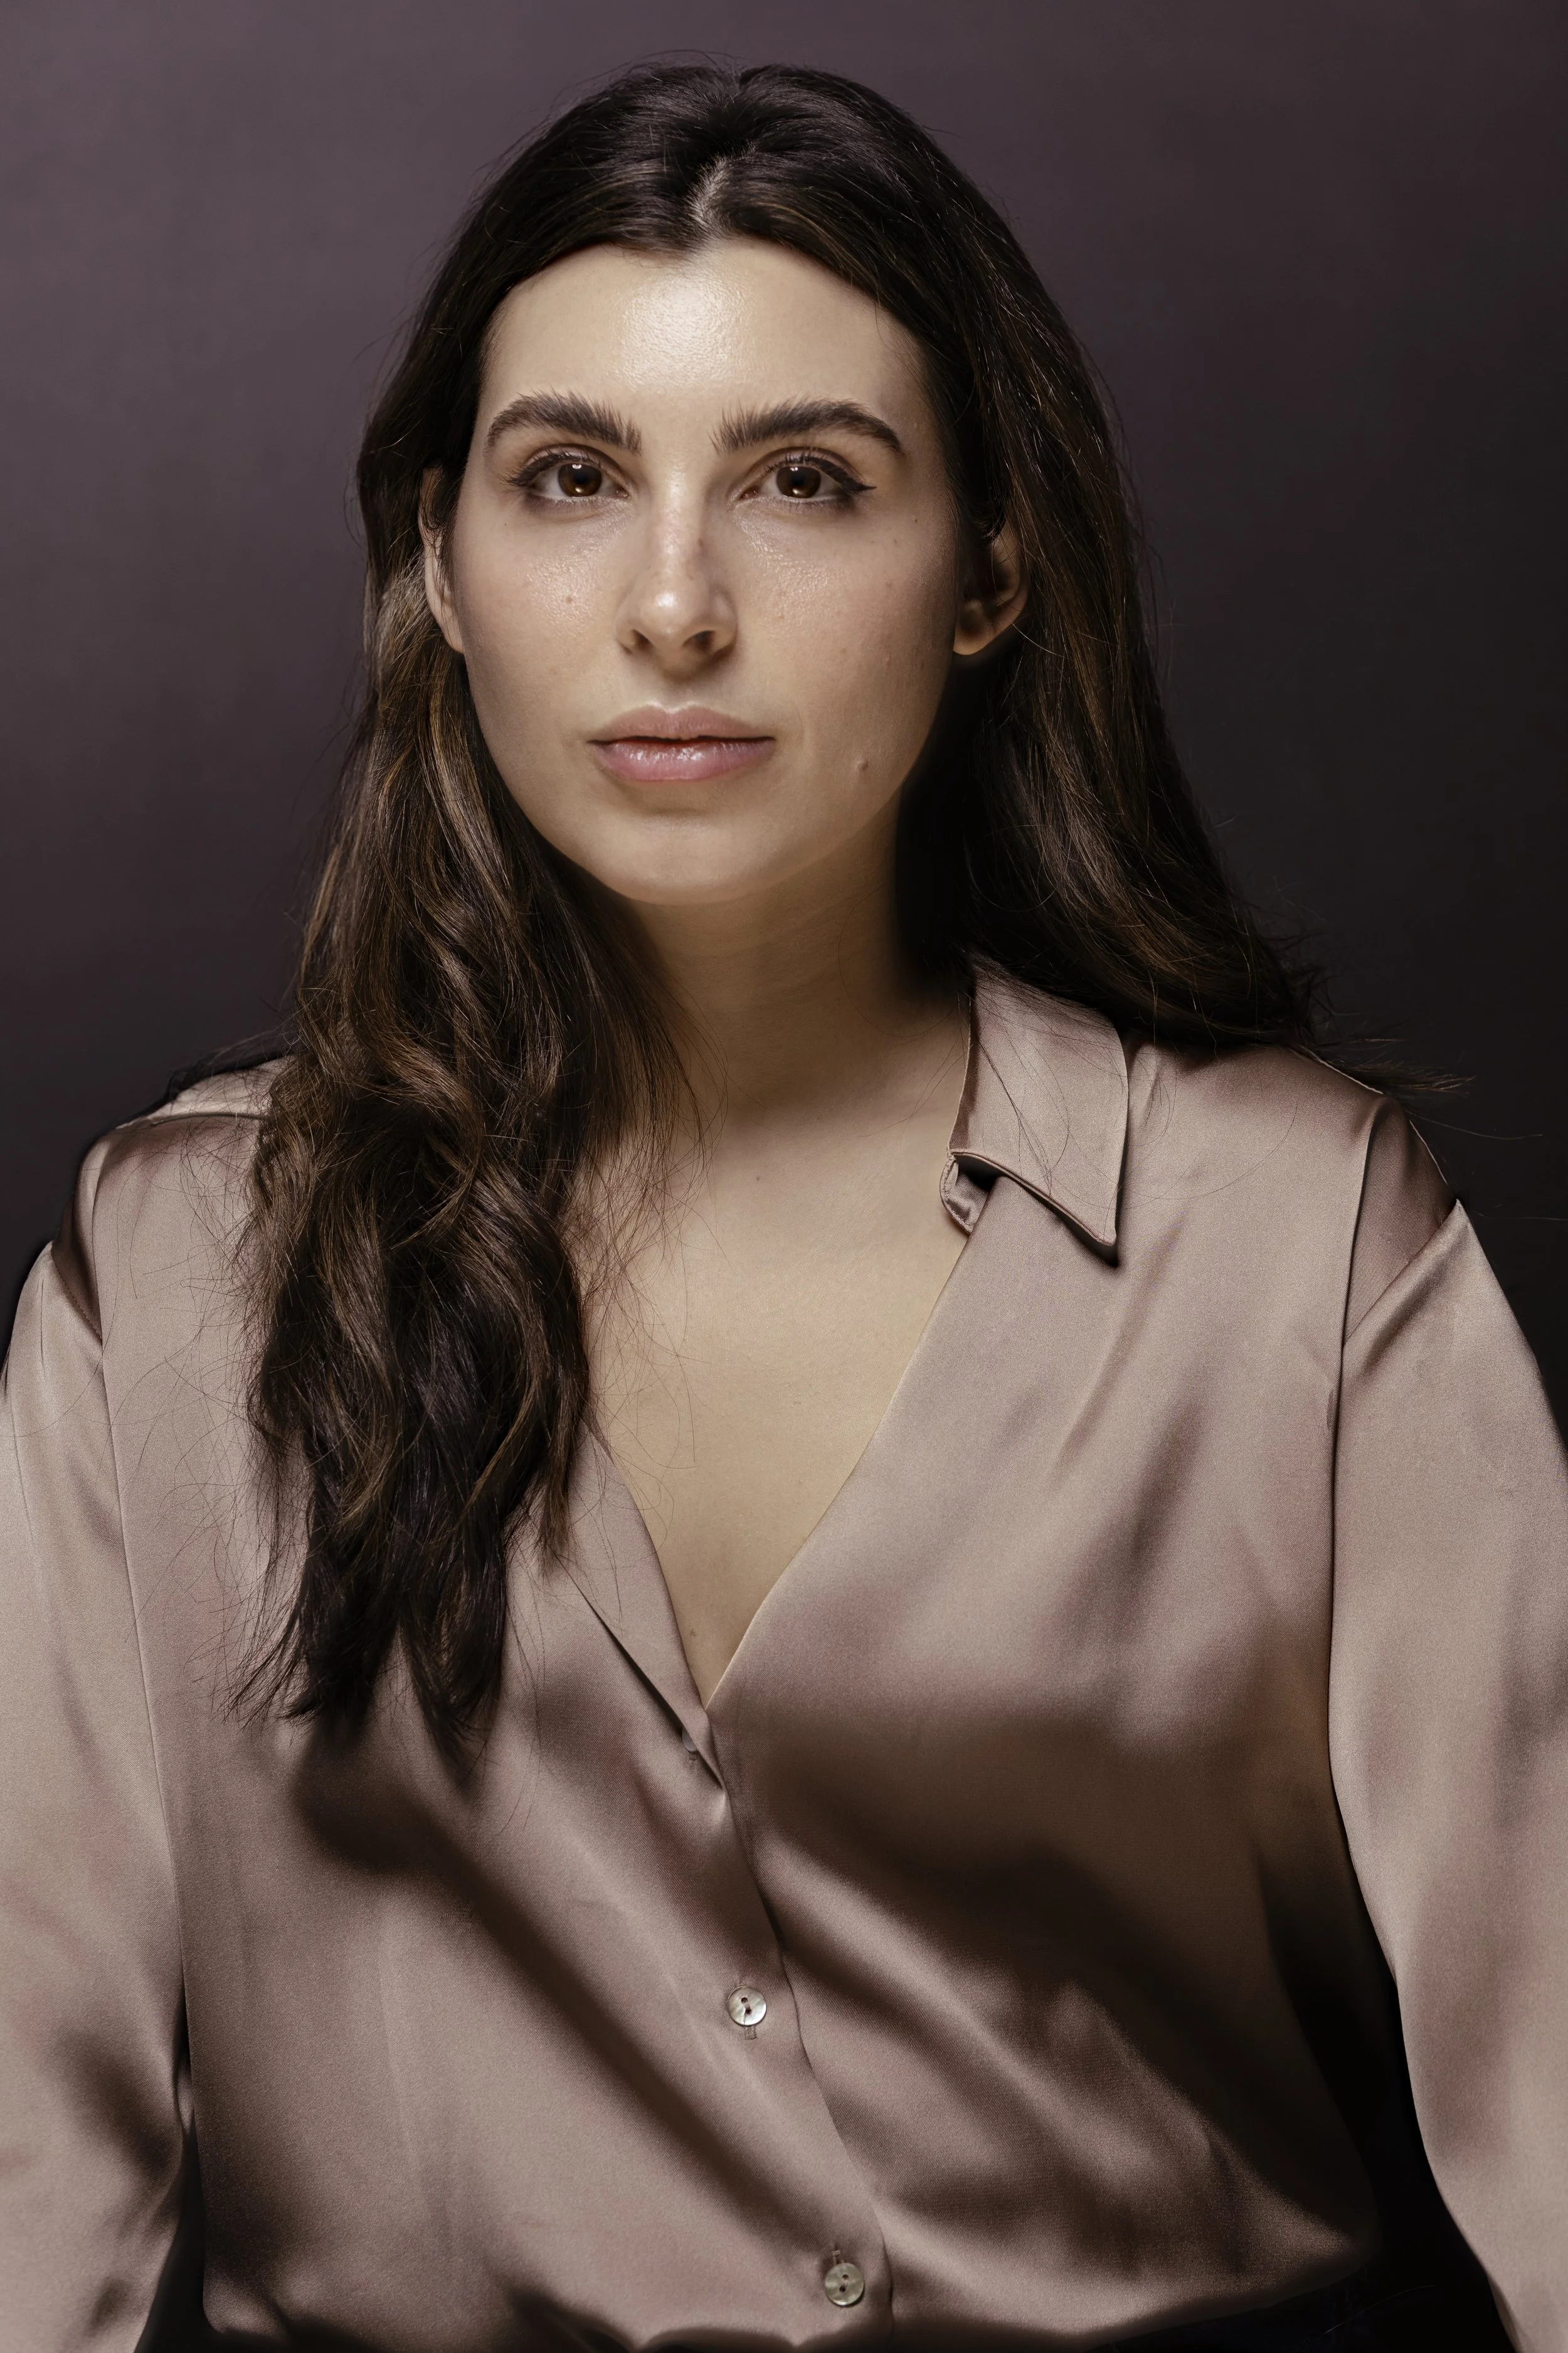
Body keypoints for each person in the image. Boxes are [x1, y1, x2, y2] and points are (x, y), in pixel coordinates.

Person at [1, 58, 1562, 2353]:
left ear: (989, 573)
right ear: (439, 561)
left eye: (804, 482)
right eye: (568, 480)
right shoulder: (167, 1289)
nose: (673, 604)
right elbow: (29, 2213)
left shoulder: (1302, 1255)